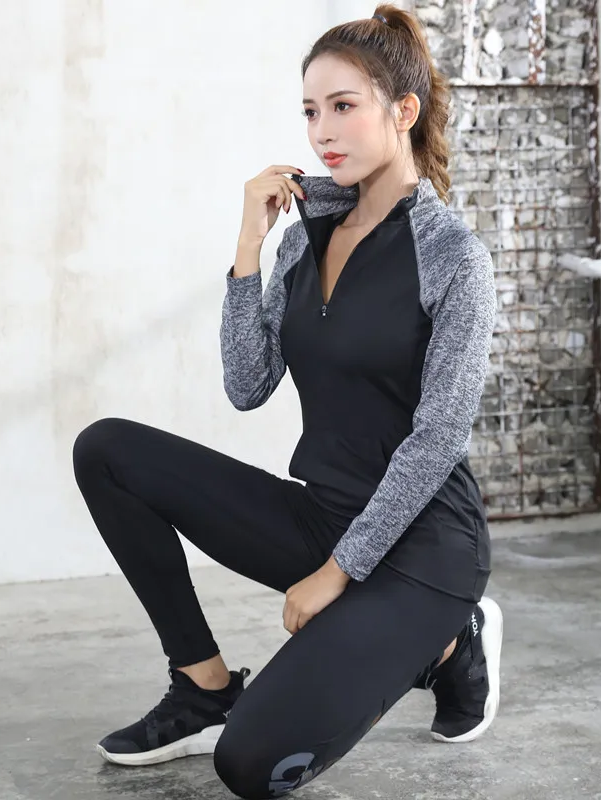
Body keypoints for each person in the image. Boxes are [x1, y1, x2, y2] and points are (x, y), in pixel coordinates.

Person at [72, 5, 503, 799]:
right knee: (107, 450)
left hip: (425, 547)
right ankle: (201, 687)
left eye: (343, 106)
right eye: (310, 111)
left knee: (251, 766)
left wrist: (337, 574)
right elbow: (248, 385)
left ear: (403, 111)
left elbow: (439, 438)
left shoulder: (453, 257)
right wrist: (249, 245)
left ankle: (452, 639)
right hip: (325, 516)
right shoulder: (307, 236)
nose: (321, 132)